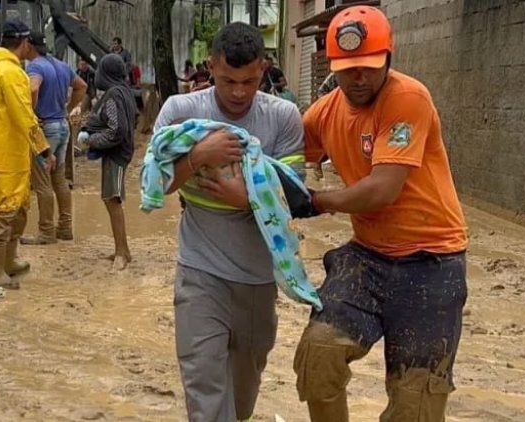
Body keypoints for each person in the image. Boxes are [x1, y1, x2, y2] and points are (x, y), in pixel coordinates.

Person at [294, 6, 468, 422]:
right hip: (367, 257)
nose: (359, 78)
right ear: (332, 66)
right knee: (318, 356)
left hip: (432, 264)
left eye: (369, 67)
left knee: (417, 405)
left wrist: (318, 201)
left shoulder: (408, 98)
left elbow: (382, 190)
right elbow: (282, 163)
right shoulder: (322, 114)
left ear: (388, 57)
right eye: (348, 69)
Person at [153, 22, 305, 421]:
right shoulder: (182, 111)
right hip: (200, 273)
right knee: (205, 390)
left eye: (249, 81)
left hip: (258, 280)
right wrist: (199, 155)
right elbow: (159, 182)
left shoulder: (284, 117)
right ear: (211, 67)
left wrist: (249, 200)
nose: (238, 92)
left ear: (264, 69)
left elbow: (295, 196)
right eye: (227, 81)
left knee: (243, 391)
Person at [0, 20, 53, 290]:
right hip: (6, 152)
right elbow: (24, 114)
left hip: (2, 150)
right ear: (25, 43)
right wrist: (43, 148)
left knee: (17, 207)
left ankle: (8, 260)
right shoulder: (11, 73)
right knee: (6, 210)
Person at [21, 32, 87, 245]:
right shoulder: (61, 65)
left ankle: (46, 231)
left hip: (45, 127)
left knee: (42, 181)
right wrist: (67, 109)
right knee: (59, 178)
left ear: (29, 45)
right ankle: (65, 227)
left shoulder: (35, 66)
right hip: (62, 125)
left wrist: (32, 114)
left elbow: (32, 87)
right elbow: (82, 86)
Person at [76, 54, 137, 271]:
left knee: (113, 199)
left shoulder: (113, 95)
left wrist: (91, 141)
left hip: (117, 153)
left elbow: (116, 129)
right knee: (110, 199)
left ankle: (122, 252)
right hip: (119, 151)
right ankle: (122, 249)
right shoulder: (124, 91)